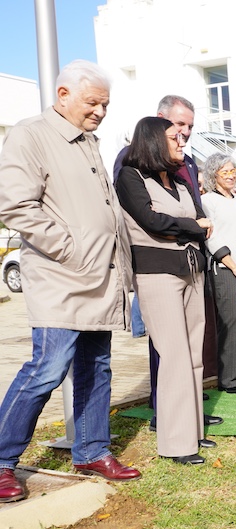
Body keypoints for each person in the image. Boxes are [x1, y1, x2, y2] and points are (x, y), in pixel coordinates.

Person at [0, 60, 141, 502]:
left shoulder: (88, 141)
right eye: (92, 102)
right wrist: (72, 248)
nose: (100, 111)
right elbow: (16, 206)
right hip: (61, 277)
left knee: (95, 368)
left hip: (99, 277)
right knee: (46, 369)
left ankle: (91, 450)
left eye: (105, 104)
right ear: (62, 95)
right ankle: (2, 460)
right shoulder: (30, 134)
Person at [113, 94, 222, 431]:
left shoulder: (180, 173)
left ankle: (191, 425)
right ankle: (172, 427)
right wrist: (191, 227)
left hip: (191, 267)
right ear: (157, 131)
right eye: (177, 128)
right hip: (157, 271)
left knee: (192, 355)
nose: (184, 134)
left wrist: (192, 227)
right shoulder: (130, 169)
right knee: (171, 355)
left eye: (188, 127)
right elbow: (150, 219)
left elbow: (198, 213)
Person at [201, 153, 236, 393]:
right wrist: (232, 264)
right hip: (224, 267)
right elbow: (212, 237)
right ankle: (228, 379)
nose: (231, 175)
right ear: (214, 175)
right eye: (225, 171)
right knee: (230, 322)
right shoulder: (208, 201)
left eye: (233, 171)